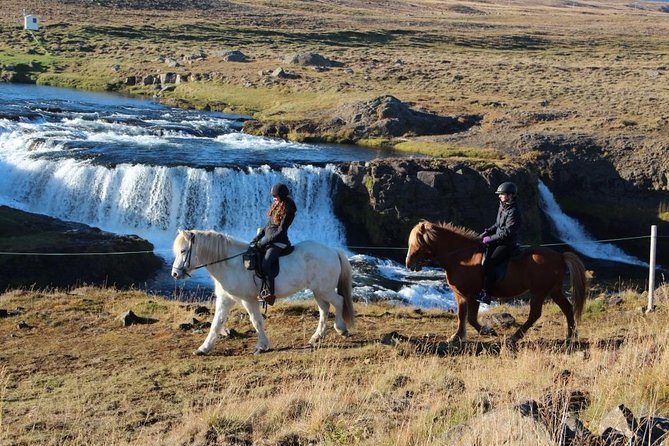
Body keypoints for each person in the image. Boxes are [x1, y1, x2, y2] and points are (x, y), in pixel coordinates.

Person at [250, 183, 297, 305]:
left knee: (265, 264)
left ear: (281, 195)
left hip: (280, 242)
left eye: (275, 196)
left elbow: (281, 231)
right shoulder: (277, 206)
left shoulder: (289, 210)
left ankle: (270, 294)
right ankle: (259, 288)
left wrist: (264, 242)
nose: (274, 198)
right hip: (270, 240)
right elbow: (268, 226)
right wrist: (257, 238)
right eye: (273, 196)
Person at [476, 181, 522, 304]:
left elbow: (507, 232)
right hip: (497, 239)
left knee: (490, 263)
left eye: (502, 194)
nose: (499, 196)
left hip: (507, 243)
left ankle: (488, 294)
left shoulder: (514, 211)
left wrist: (489, 239)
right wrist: (487, 232)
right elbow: (497, 225)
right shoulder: (503, 206)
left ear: (510, 195)